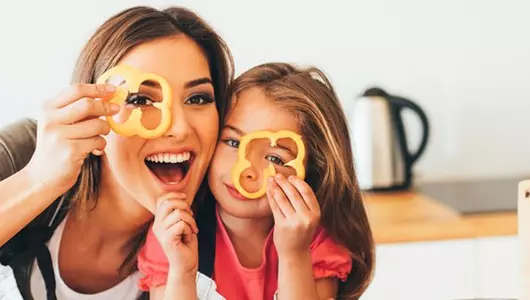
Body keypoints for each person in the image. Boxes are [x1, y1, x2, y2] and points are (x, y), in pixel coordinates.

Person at [0, 5, 233, 300]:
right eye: (141, 99)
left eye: (198, 98)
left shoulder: (212, 252)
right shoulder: (24, 154)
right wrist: (39, 181)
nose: (179, 128)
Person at [138, 62, 376, 300]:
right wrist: (182, 271)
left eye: (274, 157)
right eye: (233, 143)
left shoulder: (315, 241)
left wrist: (294, 254)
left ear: (312, 172)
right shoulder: (174, 230)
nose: (246, 171)